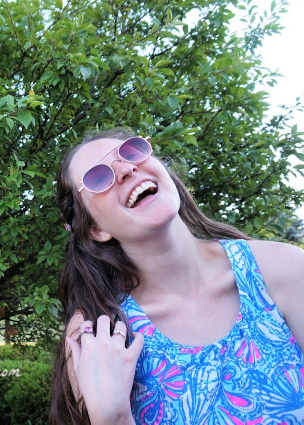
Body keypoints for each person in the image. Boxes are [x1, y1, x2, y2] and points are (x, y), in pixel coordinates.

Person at [49, 128, 304, 425]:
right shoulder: (98, 330)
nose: (127, 169)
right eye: (98, 176)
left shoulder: (283, 268)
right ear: (95, 229)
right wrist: (112, 419)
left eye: (131, 151)